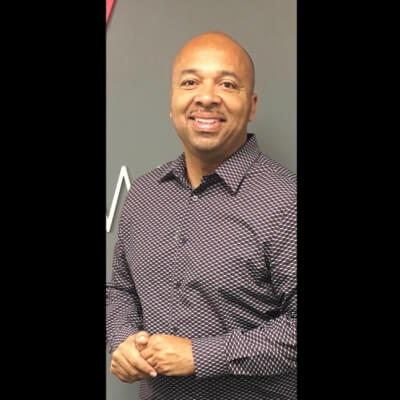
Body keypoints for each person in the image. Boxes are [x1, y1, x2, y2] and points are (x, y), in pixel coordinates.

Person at [106, 31, 297, 400]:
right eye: (190, 82)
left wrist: (200, 355)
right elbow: (121, 290)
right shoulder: (143, 194)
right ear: (172, 101)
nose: (206, 97)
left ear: (251, 105)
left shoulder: (286, 200)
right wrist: (123, 339)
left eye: (227, 84)